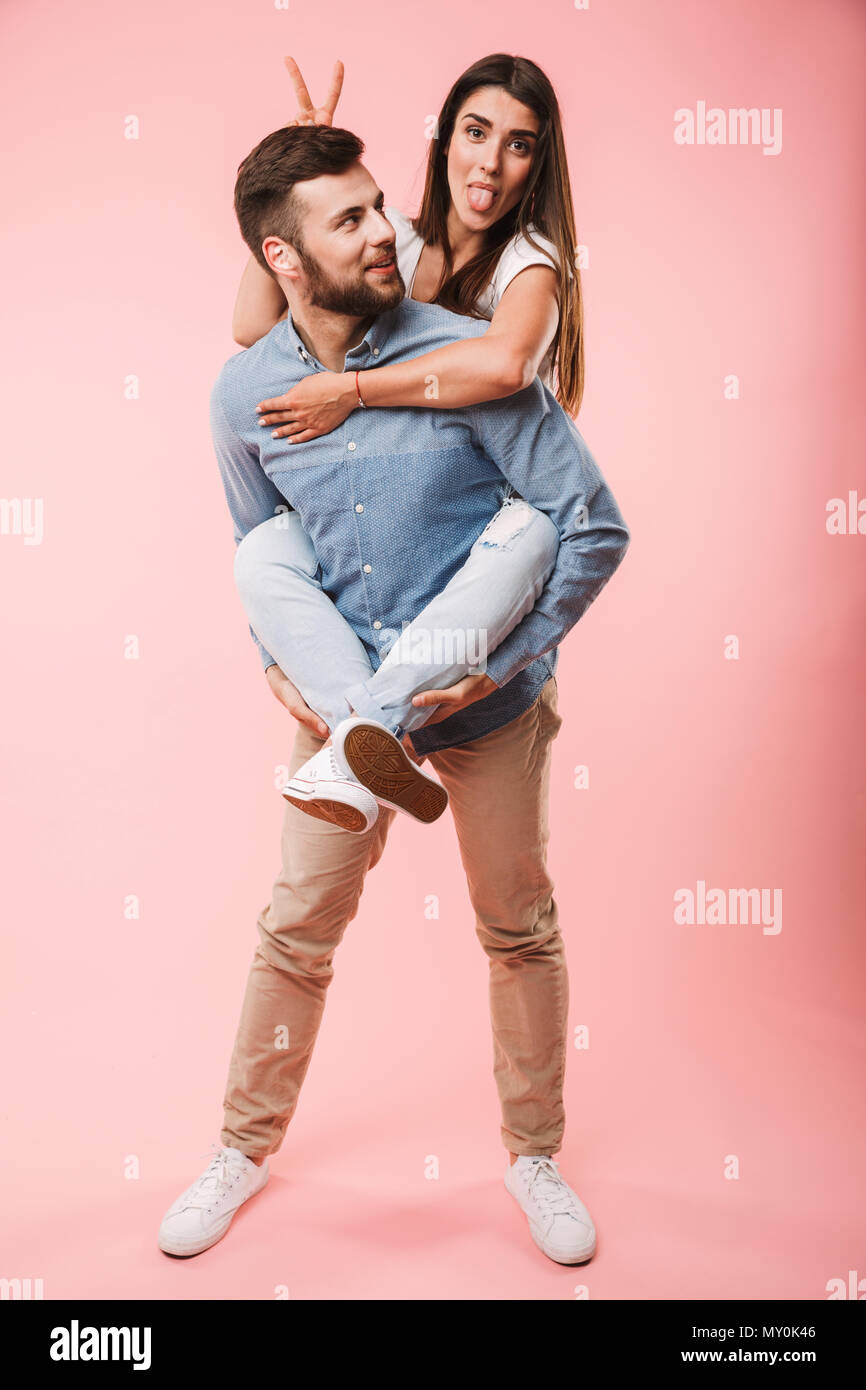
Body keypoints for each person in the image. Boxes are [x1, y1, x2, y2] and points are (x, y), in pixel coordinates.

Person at [157, 122, 629, 1267]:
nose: (391, 233)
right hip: (339, 702)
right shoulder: (242, 397)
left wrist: (511, 661)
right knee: (293, 932)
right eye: (352, 219)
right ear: (283, 260)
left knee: (516, 926)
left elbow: (590, 523)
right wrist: (279, 668)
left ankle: (532, 1153)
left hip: (484, 699)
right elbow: (261, 547)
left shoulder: (457, 353)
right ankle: (240, 1145)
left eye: (379, 207)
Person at [226, 55, 590, 828]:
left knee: (515, 915)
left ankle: (366, 736)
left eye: (519, 145)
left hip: (483, 559)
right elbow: (257, 329)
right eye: (476, 132)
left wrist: (350, 389)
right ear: (444, 139)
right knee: (264, 551)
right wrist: (294, 187)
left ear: (539, 165)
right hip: (376, 580)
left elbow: (502, 363)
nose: (490, 161)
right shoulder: (405, 240)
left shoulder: (534, 266)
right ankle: (367, 742)